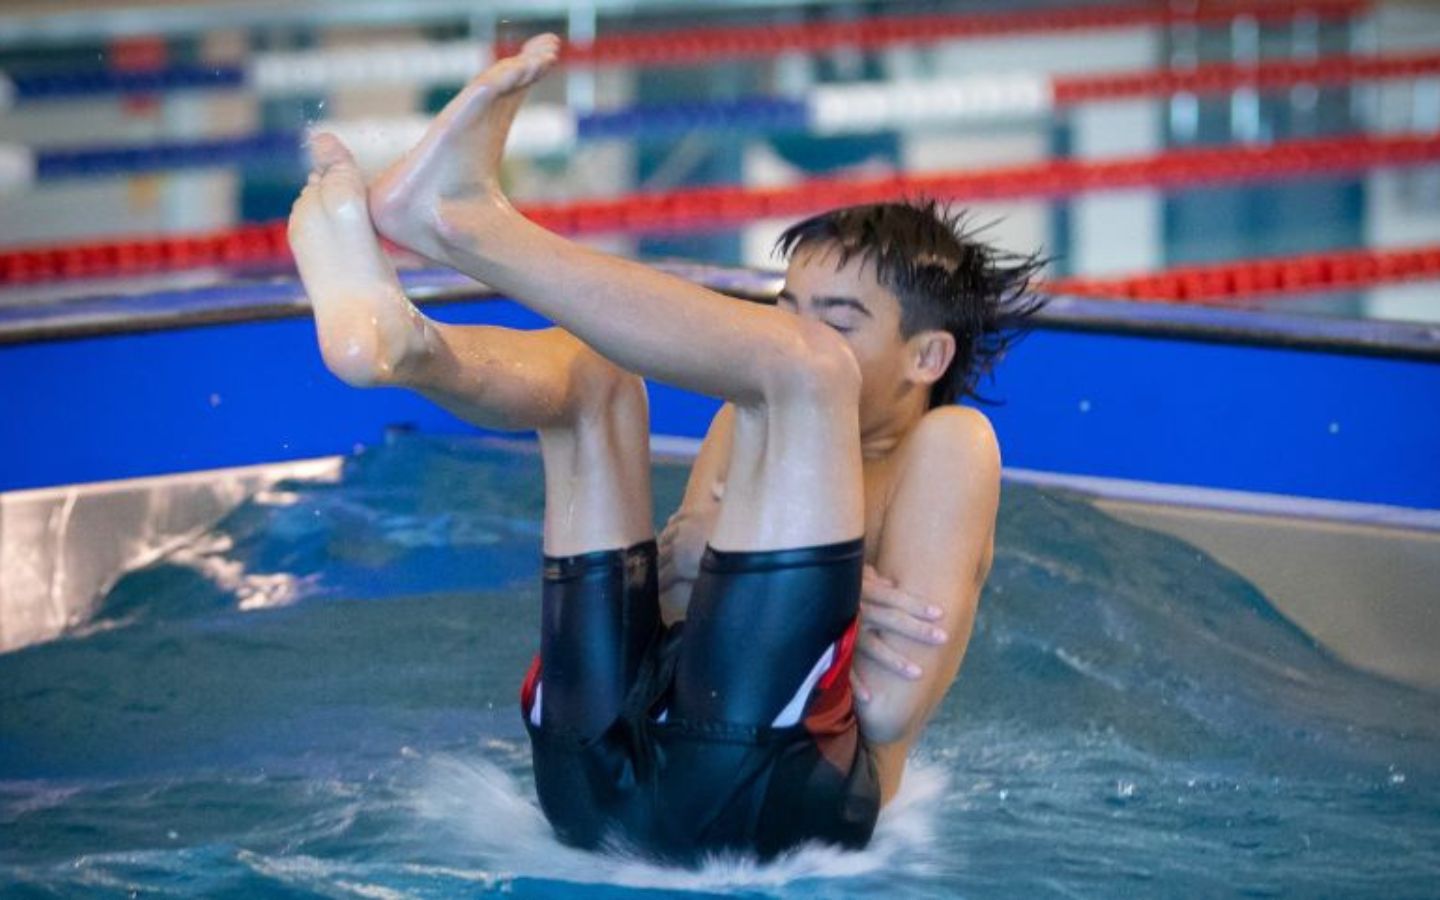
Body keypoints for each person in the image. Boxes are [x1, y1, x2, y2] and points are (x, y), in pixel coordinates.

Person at [287, 34, 1043, 864]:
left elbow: (887, 707)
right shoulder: (749, 418)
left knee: (801, 376)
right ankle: (405, 347)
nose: (795, 329)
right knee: (593, 378)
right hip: (596, 769)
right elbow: (681, 594)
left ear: (927, 358)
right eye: (788, 305)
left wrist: (785, 577)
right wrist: (825, 584)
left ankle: (464, 223)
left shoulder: (950, 444)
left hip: (776, 806)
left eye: (837, 317)